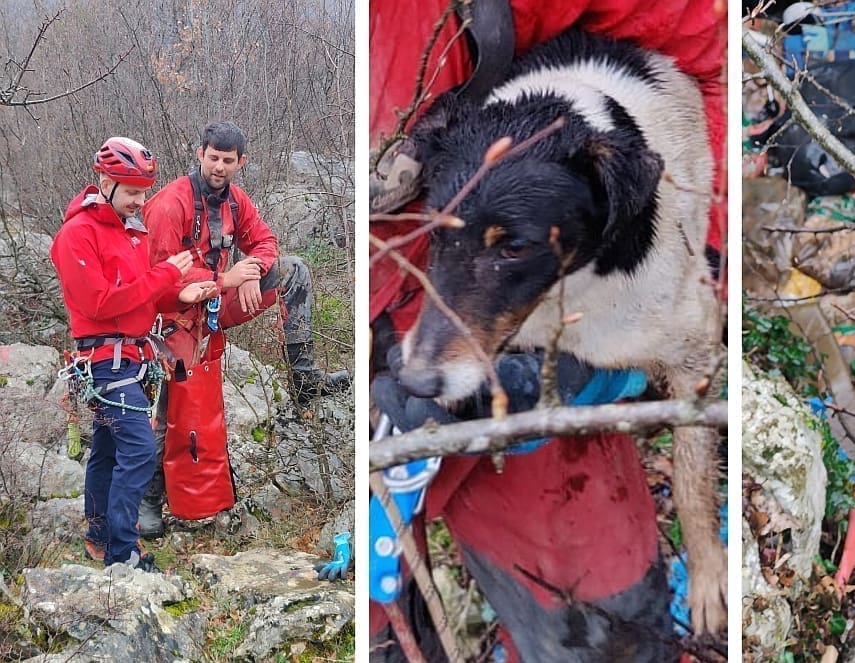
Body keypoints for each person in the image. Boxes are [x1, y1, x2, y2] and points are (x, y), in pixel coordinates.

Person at [369, 0, 726, 659]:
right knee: (373, 622)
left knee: (606, 635)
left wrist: (703, 545)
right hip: (395, 316)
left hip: (565, 269)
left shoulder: (609, 180)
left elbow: (705, 44)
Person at [137, 121, 352, 538]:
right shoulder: (170, 204)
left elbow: (265, 240)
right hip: (173, 317)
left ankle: (304, 380)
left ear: (241, 162)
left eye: (228, 161)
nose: (219, 167)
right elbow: (161, 278)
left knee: (294, 272)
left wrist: (253, 271)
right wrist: (226, 279)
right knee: (175, 407)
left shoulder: (235, 200)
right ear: (199, 154)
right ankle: (149, 498)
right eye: (213, 158)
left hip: (217, 303)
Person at [50, 137, 218, 572]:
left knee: (108, 449)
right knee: (141, 450)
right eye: (131, 192)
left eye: (143, 192)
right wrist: (165, 273)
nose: (139, 201)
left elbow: (141, 299)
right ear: (104, 181)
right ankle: (123, 552)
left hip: (131, 359)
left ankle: (100, 537)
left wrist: (179, 293)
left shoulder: (132, 232)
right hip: (104, 363)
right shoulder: (77, 235)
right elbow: (102, 304)